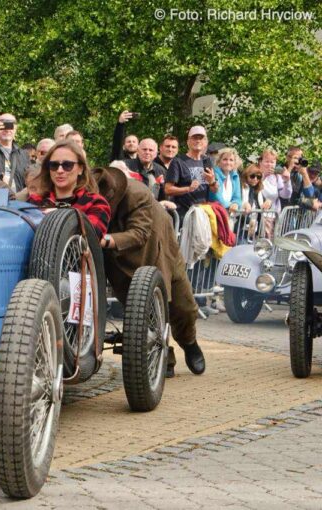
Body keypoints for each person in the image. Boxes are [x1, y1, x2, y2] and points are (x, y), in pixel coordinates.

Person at [93, 165, 206, 378]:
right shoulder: (90, 195)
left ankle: (189, 342)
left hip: (160, 249)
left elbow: (140, 233)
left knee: (185, 307)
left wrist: (106, 239)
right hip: (122, 262)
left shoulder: (137, 194)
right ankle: (165, 358)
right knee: (144, 312)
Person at [27, 140, 111, 237]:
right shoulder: (35, 201)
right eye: (54, 165)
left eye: (67, 165)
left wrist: (60, 217)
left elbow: (92, 237)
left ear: (80, 169)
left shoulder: (96, 203)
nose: (59, 170)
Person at [164, 125, 219, 220]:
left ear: (206, 142)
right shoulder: (178, 161)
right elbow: (168, 189)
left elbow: (215, 190)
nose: (198, 141)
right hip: (183, 215)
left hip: (202, 214)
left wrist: (212, 182)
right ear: (188, 142)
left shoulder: (207, 161)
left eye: (201, 138)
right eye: (194, 138)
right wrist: (188, 189)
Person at [0, 113, 29, 192]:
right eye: (3, 125)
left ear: (15, 128)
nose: (7, 129)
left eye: (10, 125)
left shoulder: (24, 154)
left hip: (19, 202)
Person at [213, 148, 243, 213]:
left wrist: (236, 204)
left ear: (235, 163)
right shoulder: (214, 174)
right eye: (225, 159)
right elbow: (217, 198)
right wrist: (230, 205)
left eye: (231, 160)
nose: (228, 162)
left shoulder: (235, 176)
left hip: (228, 214)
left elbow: (237, 198)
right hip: (214, 213)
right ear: (219, 161)